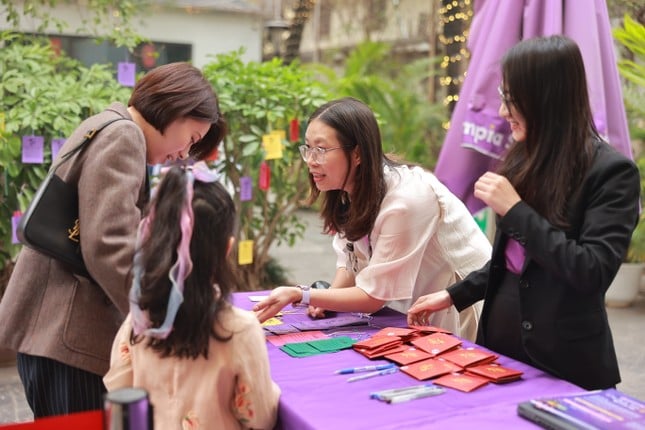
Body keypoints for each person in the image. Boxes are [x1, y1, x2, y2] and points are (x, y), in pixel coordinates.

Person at [407, 35, 640, 391]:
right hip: (500, 353)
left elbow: (592, 271)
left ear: (546, 100)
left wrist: (515, 210)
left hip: (564, 364)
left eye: (511, 100)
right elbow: (512, 260)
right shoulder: (522, 159)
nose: (502, 112)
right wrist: (456, 294)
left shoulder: (610, 172)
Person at [0, 62, 227, 417]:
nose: (184, 153)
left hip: (55, 335)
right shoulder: (125, 136)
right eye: (193, 139)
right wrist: (159, 319)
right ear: (177, 107)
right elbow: (109, 244)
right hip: (68, 338)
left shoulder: (110, 124)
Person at [254, 97, 492, 340]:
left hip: (464, 308)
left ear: (357, 153)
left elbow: (373, 297)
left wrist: (301, 294)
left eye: (321, 149)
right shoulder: (348, 191)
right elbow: (351, 261)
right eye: (308, 149)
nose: (311, 161)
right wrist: (329, 298)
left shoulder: (407, 199)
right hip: (417, 311)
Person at [104, 164, 280, 430]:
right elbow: (260, 417)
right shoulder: (239, 329)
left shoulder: (139, 320)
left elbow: (117, 385)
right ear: (227, 248)